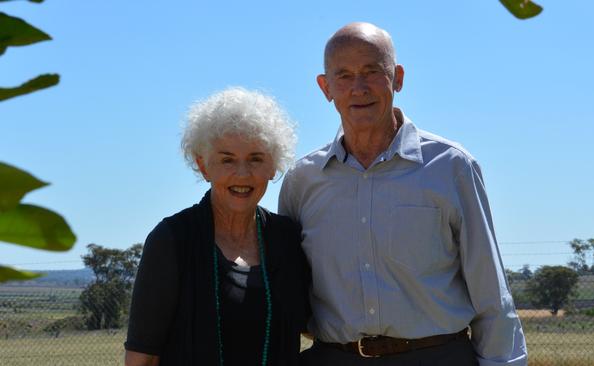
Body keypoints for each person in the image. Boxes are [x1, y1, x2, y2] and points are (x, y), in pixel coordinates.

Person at [279, 22, 527, 365]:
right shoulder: (302, 180)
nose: (359, 87)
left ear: (397, 77)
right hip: (334, 357)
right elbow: (287, 291)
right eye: (344, 76)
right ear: (325, 87)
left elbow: (490, 291)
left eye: (372, 72)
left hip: (437, 355)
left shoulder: (451, 167)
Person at [124, 87, 309, 366]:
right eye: (227, 160)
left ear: (273, 166)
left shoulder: (287, 238)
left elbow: (313, 325)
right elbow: (142, 356)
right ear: (203, 165)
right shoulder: (173, 240)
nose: (242, 174)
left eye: (256, 158)